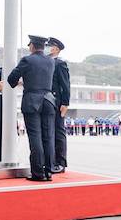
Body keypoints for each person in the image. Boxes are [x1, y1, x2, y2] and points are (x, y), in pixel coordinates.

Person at [7, 35, 56, 182]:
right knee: (48, 138)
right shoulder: (51, 61)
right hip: (48, 100)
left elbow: (11, 79)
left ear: (32, 46)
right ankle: (48, 172)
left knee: (35, 138)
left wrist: (21, 81)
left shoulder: (27, 60)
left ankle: (37, 173)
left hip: (32, 101)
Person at [46, 37, 71, 174]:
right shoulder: (46, 62)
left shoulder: (60, 64)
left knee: (58, 132)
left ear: (55, 49)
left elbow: (65, 85)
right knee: (48, 132)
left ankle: (60, 162)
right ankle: (50, 161)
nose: (47, 48)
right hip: (46, 101)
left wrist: (65, 103)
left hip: (57, 101)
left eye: (49, 46)